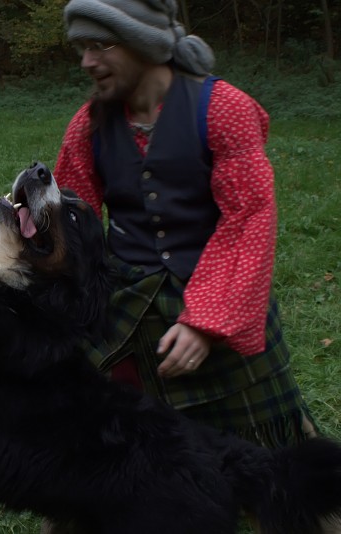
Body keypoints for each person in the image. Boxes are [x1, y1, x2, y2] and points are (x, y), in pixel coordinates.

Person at [43, 2, 320, 531]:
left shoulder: (223, 109)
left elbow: (248, 217)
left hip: (226, 306)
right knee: (113, 454)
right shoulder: (88, 124)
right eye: (82, 47)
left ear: (143, 44)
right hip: (128, 319)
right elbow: (72, 217)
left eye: (100, 46)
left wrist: (206, 318)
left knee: (277, 459)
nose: (86, 61)